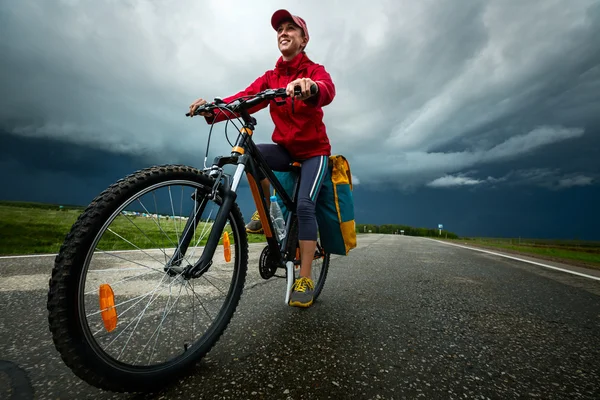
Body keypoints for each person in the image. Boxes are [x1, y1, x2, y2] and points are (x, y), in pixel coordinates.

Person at [188, 9, 335, 308]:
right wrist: (211, 109)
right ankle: (267, 215)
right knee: (250, 154)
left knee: (305, 205)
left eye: (291, 28)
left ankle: (304, 276)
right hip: (285, 149)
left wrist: (311, 88)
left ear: (304, 39)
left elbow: (327, 89)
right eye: (280, 28)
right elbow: (242, 97)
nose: (283, 32)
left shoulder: (314, 70)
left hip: (313, 153)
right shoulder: (271, 78)